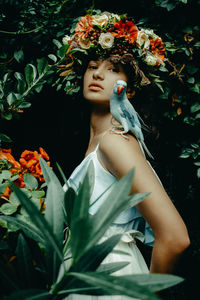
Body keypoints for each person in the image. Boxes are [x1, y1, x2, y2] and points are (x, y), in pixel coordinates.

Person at [60, 11, 190, 299]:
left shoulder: (115, 143)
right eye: (93, 65)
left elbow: (175, 237)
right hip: (83, 277)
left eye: (113, 69)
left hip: (112, 281)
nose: (97, 73)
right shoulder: (99, 145)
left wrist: (146, 295)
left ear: (129, 89)